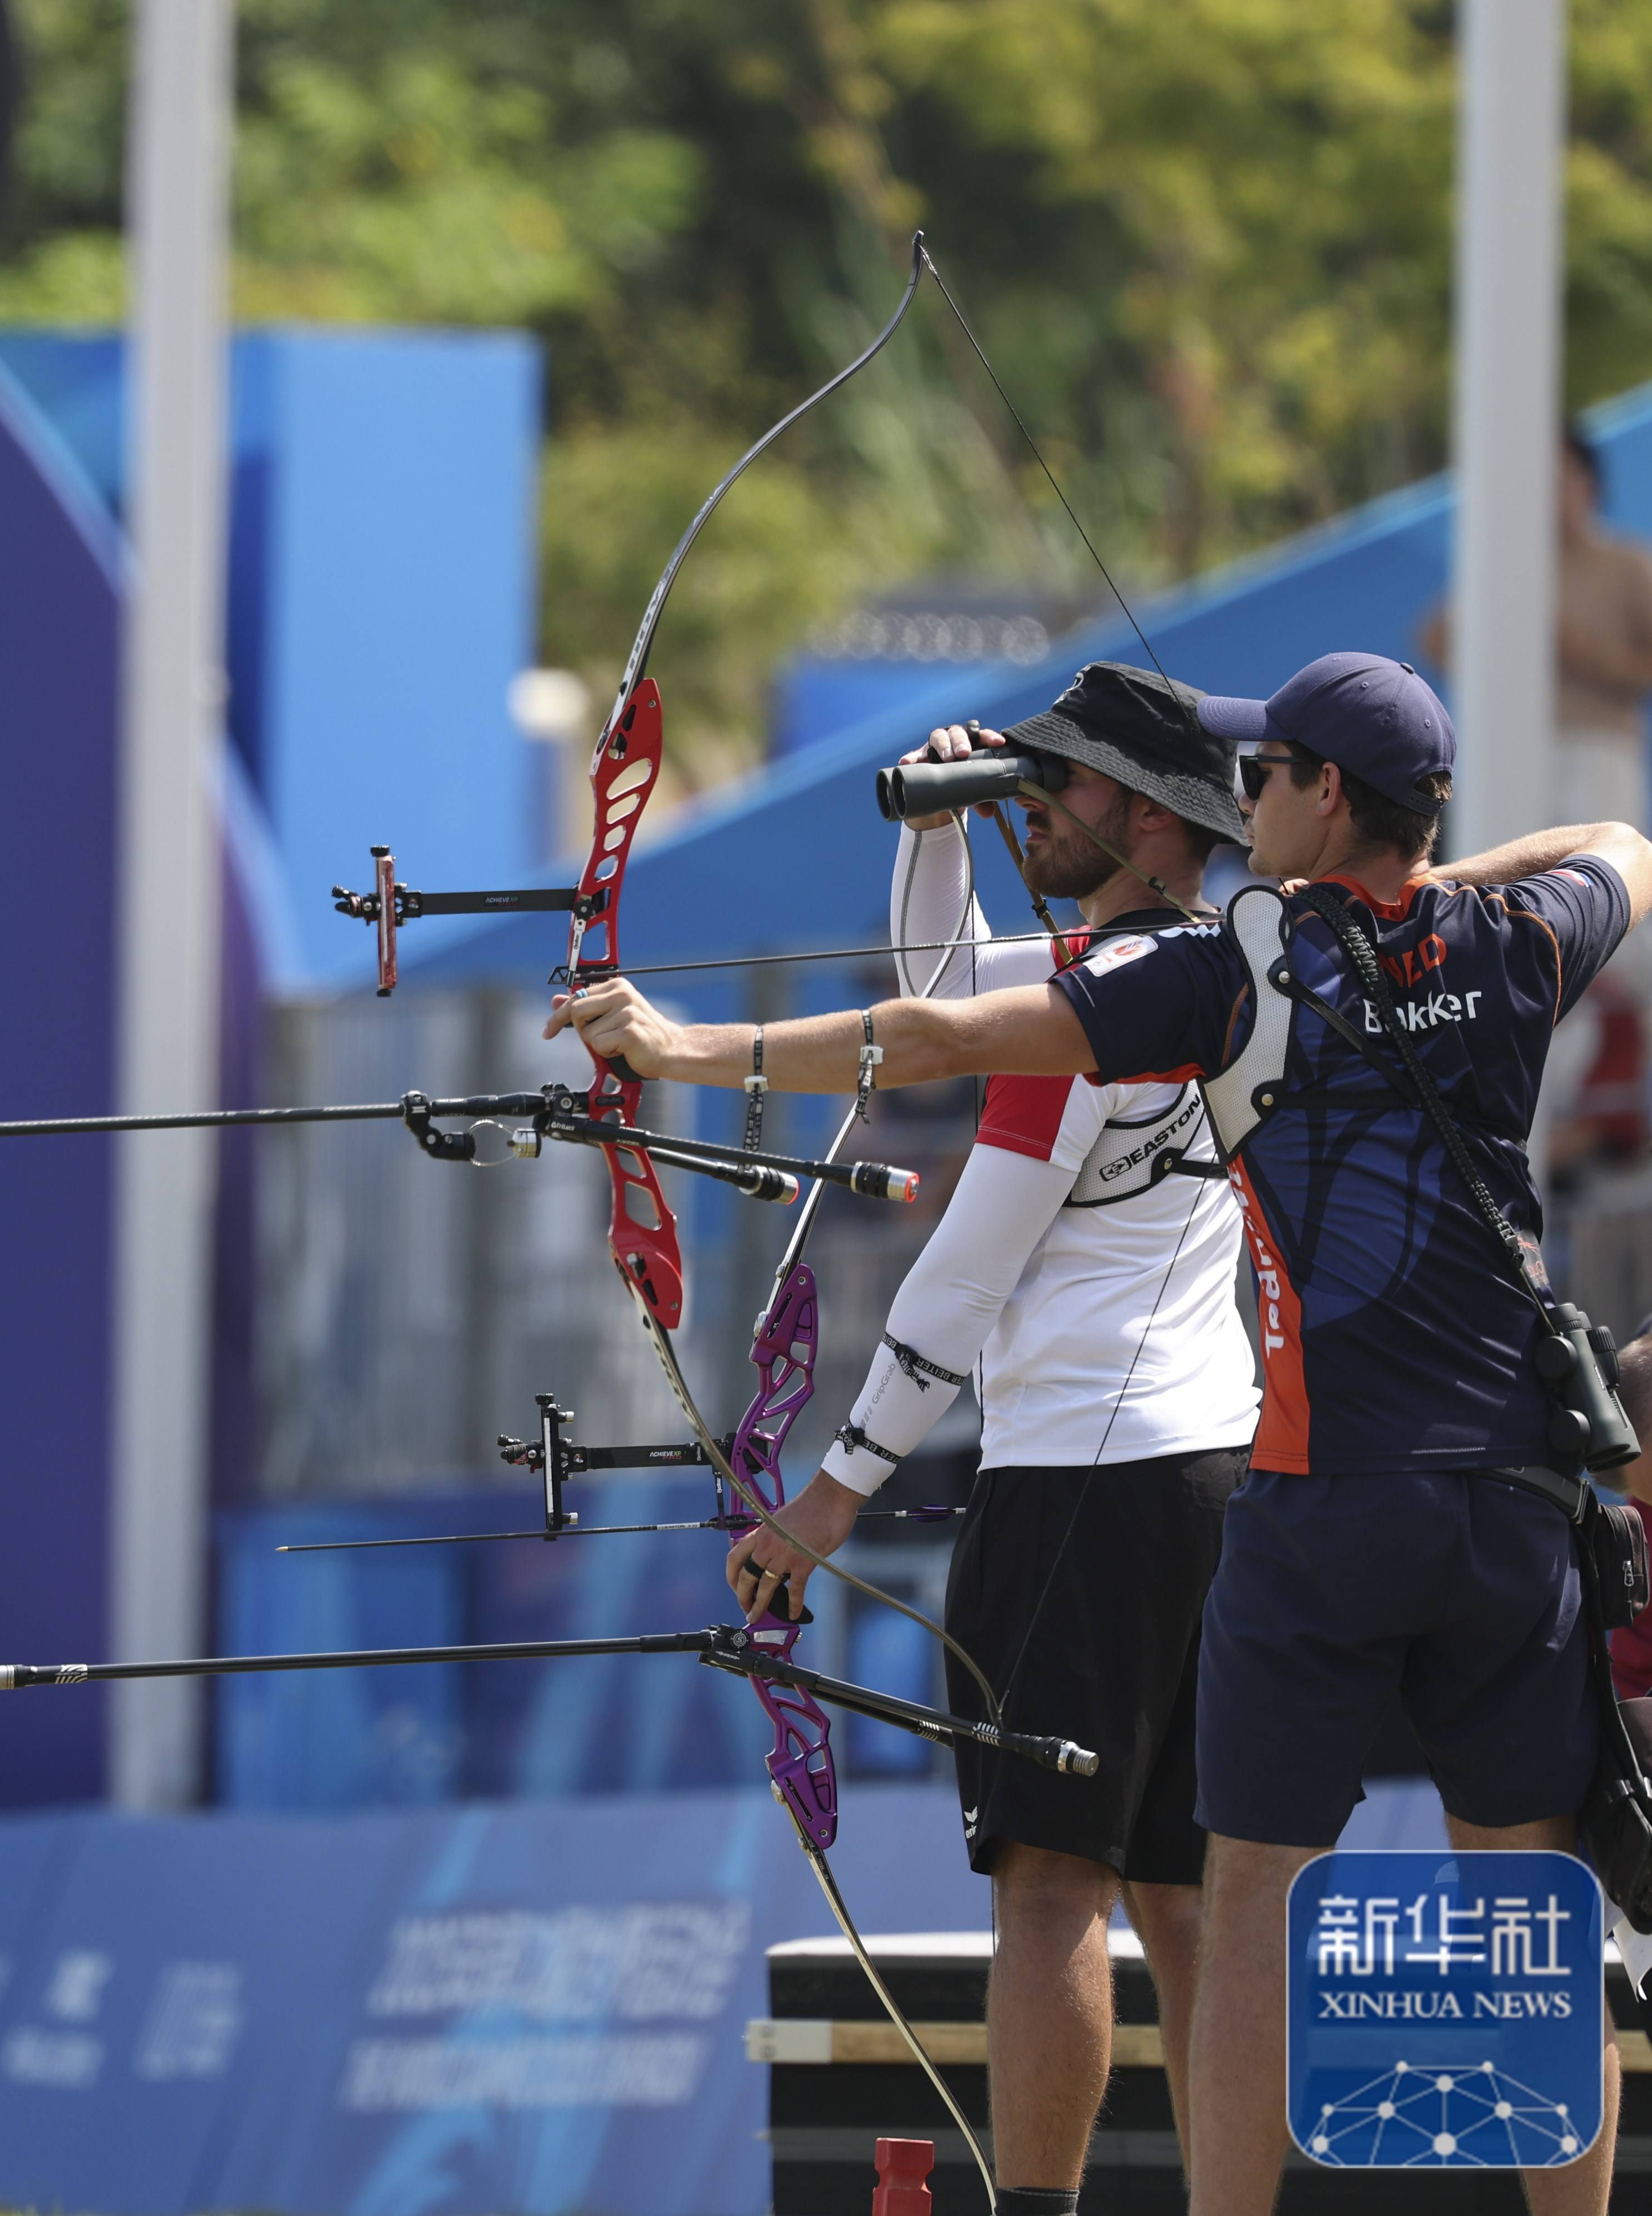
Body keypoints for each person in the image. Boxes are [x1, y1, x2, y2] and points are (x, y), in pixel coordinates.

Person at [550, 651, 1652, 2216]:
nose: (1243, 801)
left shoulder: (1220, 979)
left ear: (1326, 798)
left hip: (1310, 1502)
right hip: (1503, 1502)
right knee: (1522, 1912)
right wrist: (1409, 894)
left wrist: (678, 1049)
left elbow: (937, 1044)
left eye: (1266, 780)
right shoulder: (1509, 942)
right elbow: (1618, 844)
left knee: (1238, 1900)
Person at [728, 663, 1257, 2215]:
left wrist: (829, 1496)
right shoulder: (1212, 972)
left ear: (1155, 818)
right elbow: (946, 1001)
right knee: (1189, 1898)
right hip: (1215, 1473)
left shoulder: (1096, 1010)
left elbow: (966, 1261)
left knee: (1046, 1894)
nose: (1034, 803)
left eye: (1065, 786)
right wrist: (940, 834)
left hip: (1078, 1487)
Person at [1424, 429, 1652, 1183]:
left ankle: (1587, 1105)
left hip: (1596, 756)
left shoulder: (1626, 567)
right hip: (1513, 759)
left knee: (1597, 916)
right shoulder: (1507, 565)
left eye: (1560, 479)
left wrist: (1575, 649)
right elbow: (1435, 635)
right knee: (1501, 921)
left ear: (1588, 485)